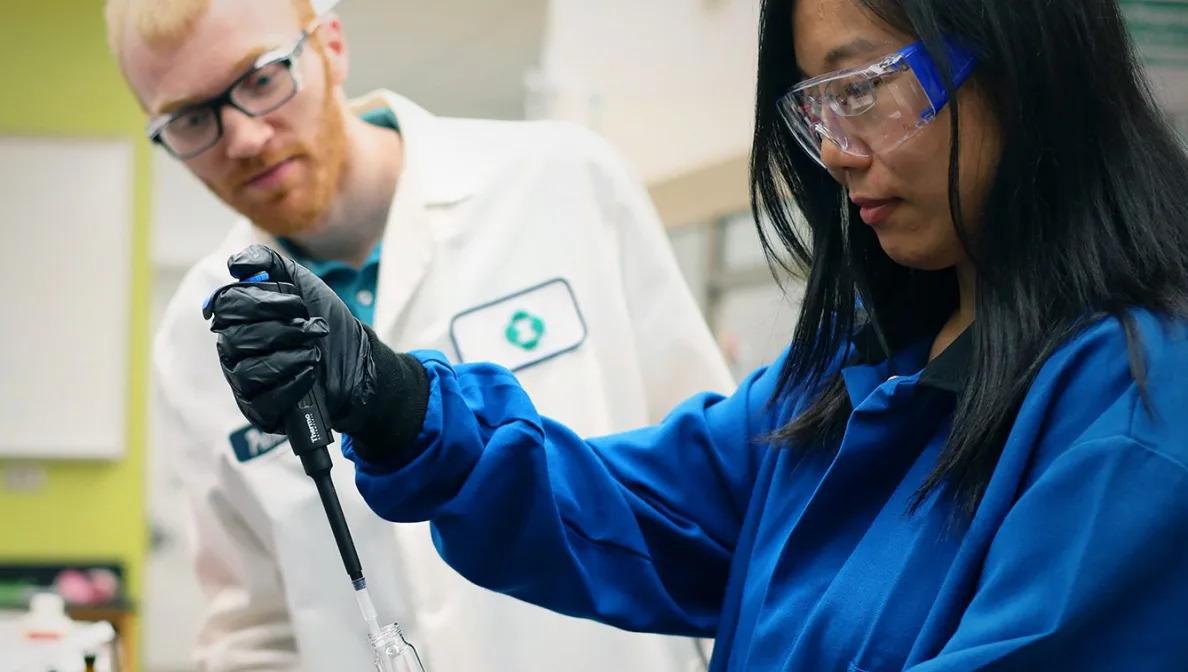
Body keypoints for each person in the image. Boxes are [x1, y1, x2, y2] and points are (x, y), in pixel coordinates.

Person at [206, 0, 1188, 668]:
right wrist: (400, 405)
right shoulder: (850, 376)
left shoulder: (1133, 419)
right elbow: (639, 512)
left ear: (1024, 55)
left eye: (865, 90)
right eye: (816, 105)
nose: (838, 153)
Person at [109, 0, 734, 669]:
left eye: (262, 79)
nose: (245, 139)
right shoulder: (195, 333)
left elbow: (718, 494)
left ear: (332, 46)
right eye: (191, 119)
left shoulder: (564, 183)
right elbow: (253, 628)